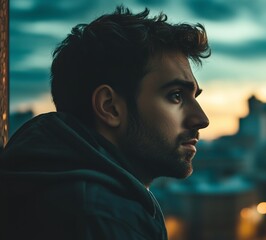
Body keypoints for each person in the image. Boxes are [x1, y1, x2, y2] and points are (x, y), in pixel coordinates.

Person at [0, 5, 210, 240]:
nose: (201, 120)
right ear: (109, 107)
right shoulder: (102, 218)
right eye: (176, 96)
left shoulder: (60, 189)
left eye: (194, 97)